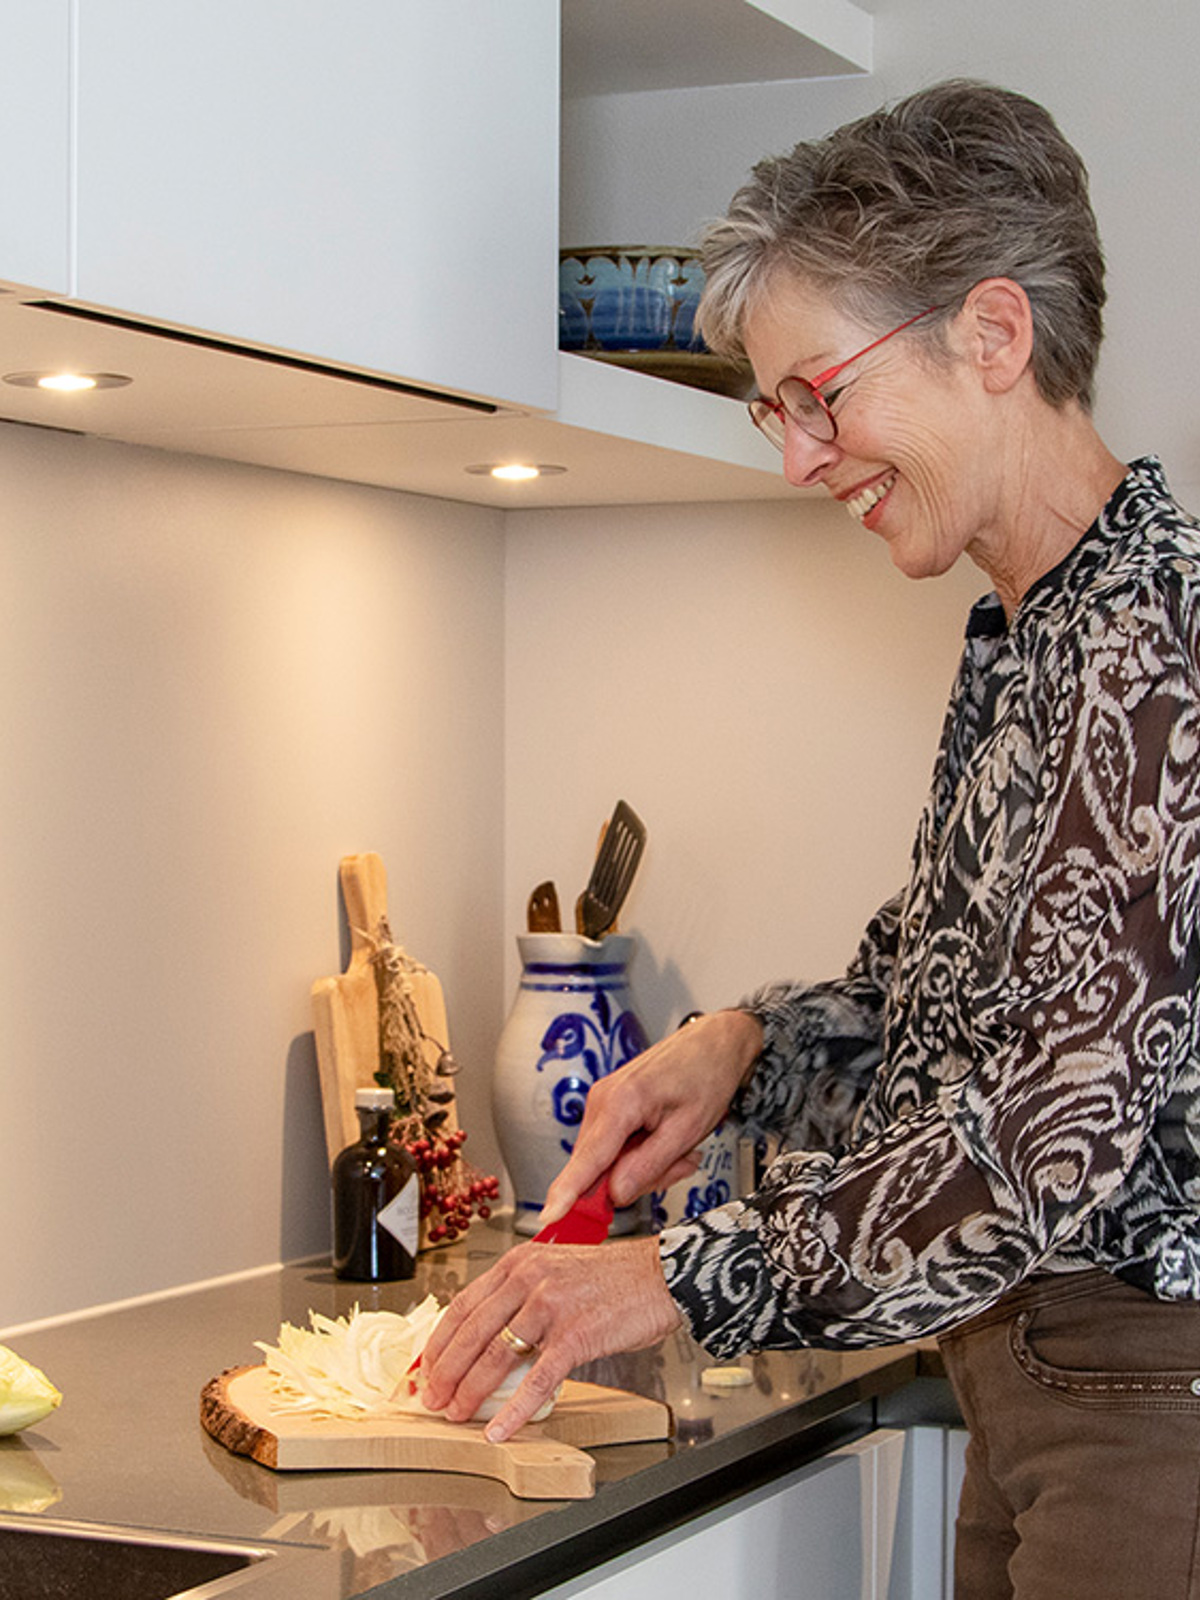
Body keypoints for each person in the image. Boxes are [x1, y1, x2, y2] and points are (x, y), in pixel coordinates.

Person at [422, 80, 1200, 1599]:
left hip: (1146, 1406)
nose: (795, 457)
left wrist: (673, 1279)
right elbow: (943, 1008)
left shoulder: (1143, 651)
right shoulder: (1046, 631)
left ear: (993, 336)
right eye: (774, 410)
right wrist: (742, 1048)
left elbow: (1043, 1146)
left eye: (815, 394)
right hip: (1057, 1385)